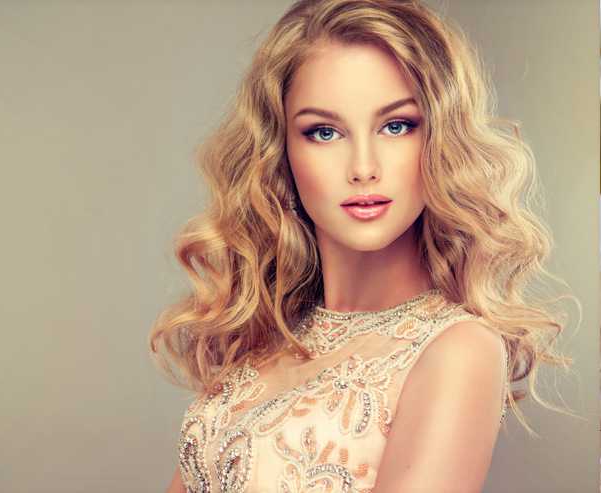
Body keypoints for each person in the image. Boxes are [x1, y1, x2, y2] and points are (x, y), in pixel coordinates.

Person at [147, 0, 574, 491]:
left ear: (438, 139)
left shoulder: (456, 350)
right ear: (282, 152)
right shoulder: (262, 339)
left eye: (397, 126)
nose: (363, 166)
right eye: (324, 132)